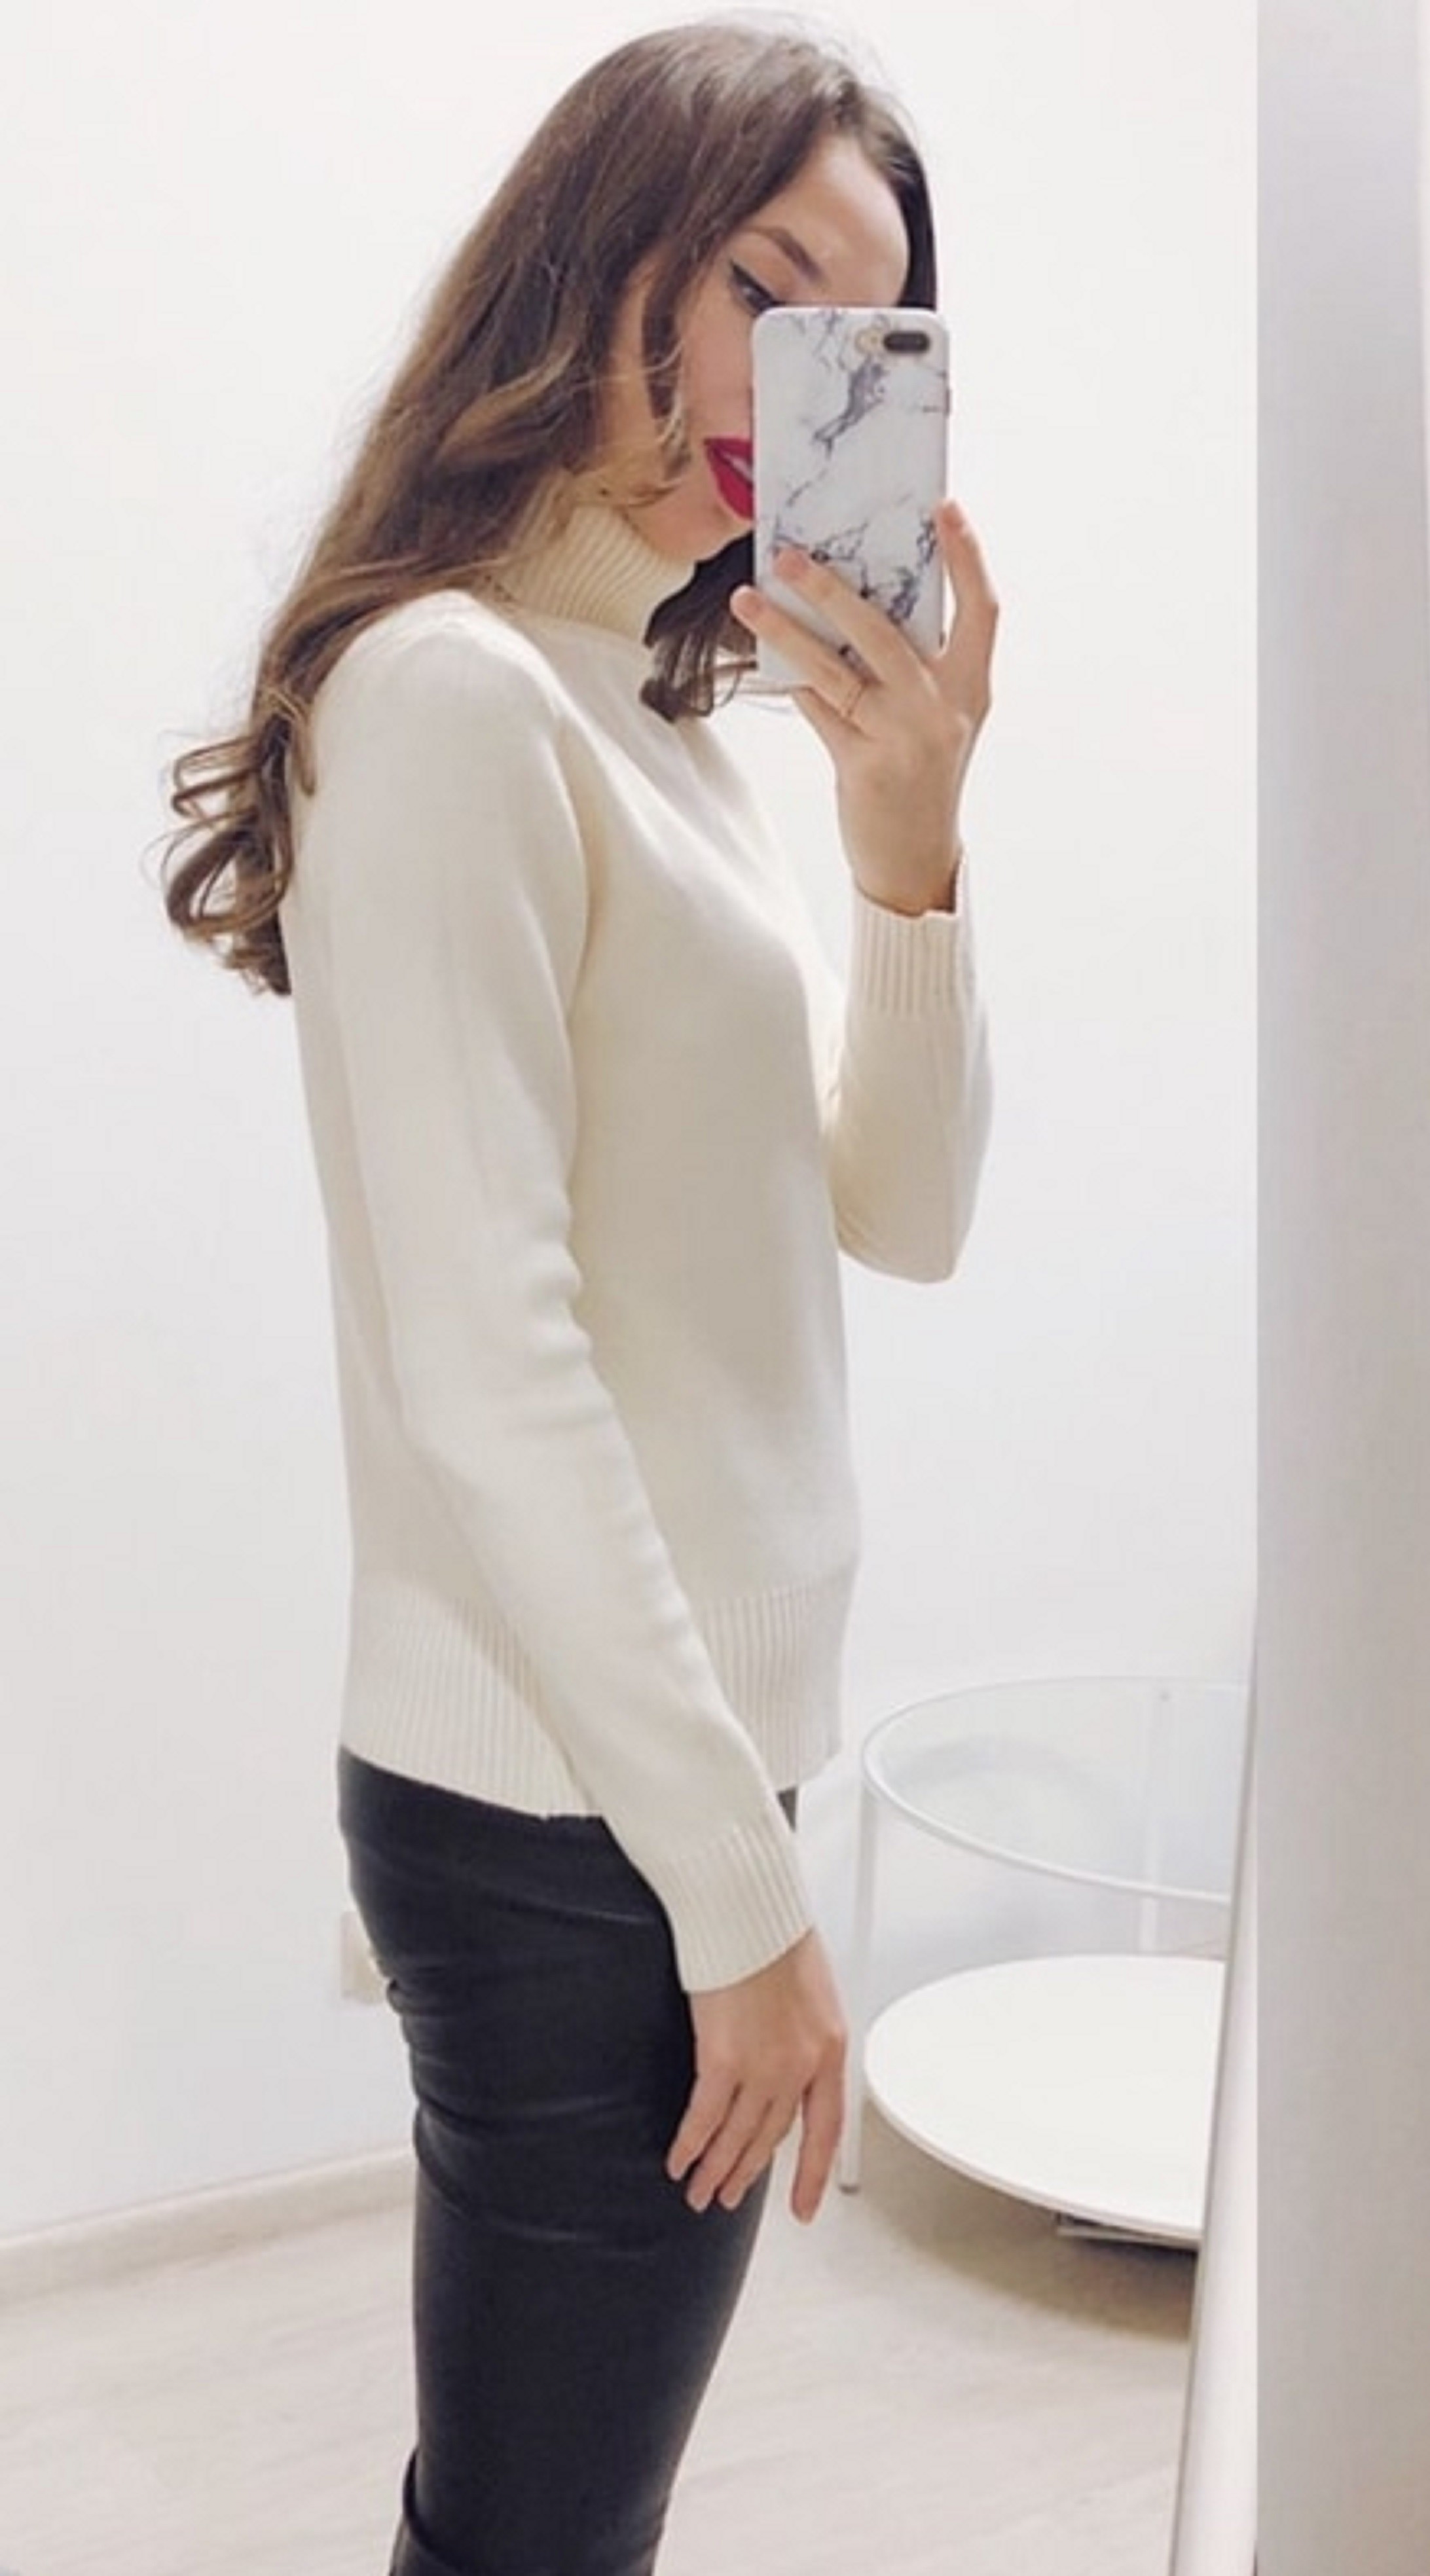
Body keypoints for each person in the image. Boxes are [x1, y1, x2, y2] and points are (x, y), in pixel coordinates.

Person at [159, 24, 997, 2573]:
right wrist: (739, 1911)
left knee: (539, 2518)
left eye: (864, 332)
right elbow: (488, 1368)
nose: (797, 376)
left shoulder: (664, 724)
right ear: (592, 249)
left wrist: (909, 843)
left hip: (654, 1776)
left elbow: (902, 1212)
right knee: (539, 2537)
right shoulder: (448, 692)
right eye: (762, 285)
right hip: (565, 1820)